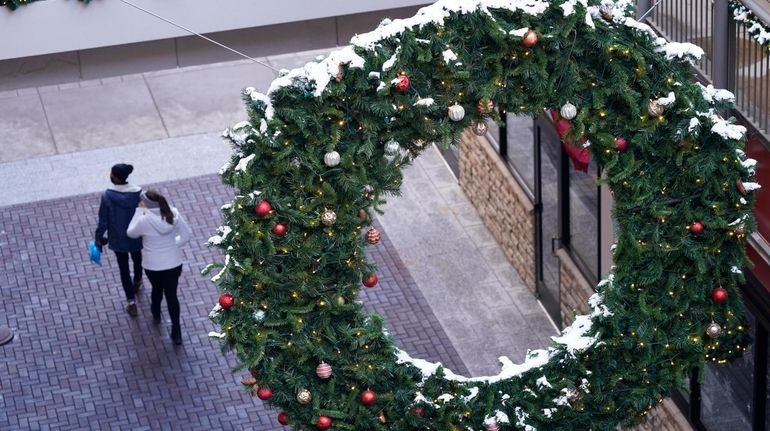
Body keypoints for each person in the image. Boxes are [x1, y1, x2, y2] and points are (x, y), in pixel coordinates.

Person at [127, 190, 192, 345]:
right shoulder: (173, 214)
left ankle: (156, 312)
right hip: (173, 263)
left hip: (152, 265)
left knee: (157, 289)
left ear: (146, 205)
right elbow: (186, 235)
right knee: (172, 296)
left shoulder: (143, 220)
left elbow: (130, 233)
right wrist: (173, 245)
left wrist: (138, 212)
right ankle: (177, 332)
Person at [95, 163, 143, 317]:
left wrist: (98, 237)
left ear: (115, 177)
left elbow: (103, 220)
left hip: (117, 238)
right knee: (138, 259)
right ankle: (137, 281)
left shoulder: (107, 195)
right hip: (136, 235)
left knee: (123, 269)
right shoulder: (138, 193)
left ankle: (131, 302)